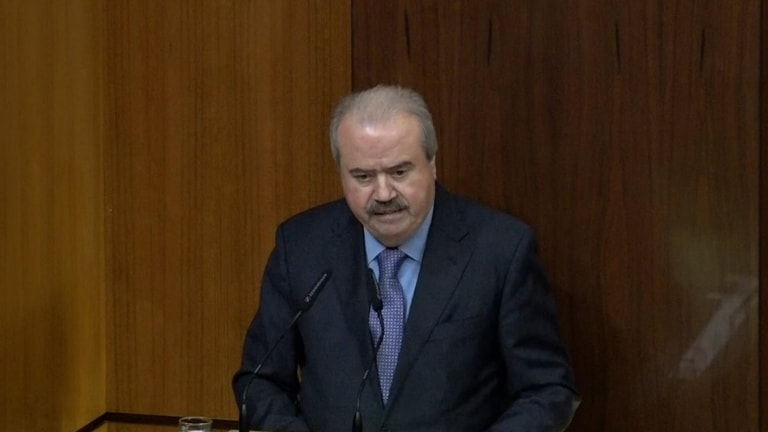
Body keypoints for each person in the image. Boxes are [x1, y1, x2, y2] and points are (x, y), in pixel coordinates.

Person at [233, 85, 580, 432]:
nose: (383, 194)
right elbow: (260, 381)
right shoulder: (301, 247)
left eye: (399, 172)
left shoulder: (500, 249)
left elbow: (547, 389)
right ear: (340, 172)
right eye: (363, 176)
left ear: (432, 163)